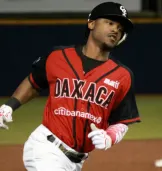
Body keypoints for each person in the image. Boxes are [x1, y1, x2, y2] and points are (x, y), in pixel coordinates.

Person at [0, 1, 141, 171]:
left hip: (76, 161)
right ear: (91, 23)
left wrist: (109, 137)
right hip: (46, 148)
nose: (115, 30)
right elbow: (34, 82)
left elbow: (122, 120)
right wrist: (9, 106)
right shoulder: (58, 57)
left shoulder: (122, 76)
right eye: (110, 23)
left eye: (120, 28)